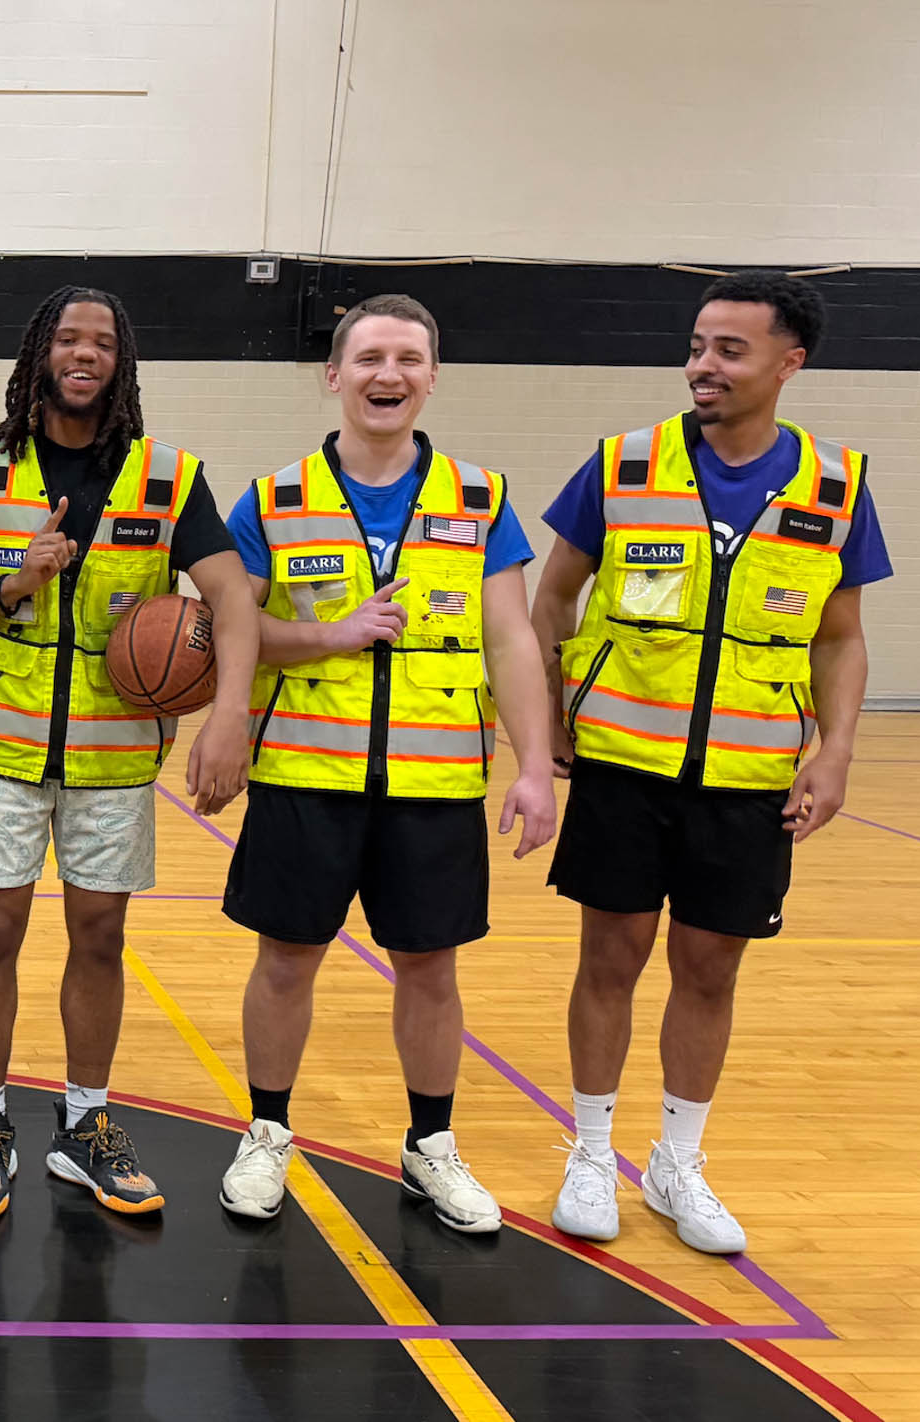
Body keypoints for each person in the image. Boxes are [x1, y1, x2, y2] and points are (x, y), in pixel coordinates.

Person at [531, 272, 891, 1254]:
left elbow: (839, 637)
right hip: (621, 764)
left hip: (748, 777)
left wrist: (836, 750)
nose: (703, 365)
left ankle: (676, 1163)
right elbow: (553, 597)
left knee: (708, 969)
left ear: (788, 362)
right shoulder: (623, 464)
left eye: (729, 349)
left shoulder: (834, 485)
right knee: (609, 960)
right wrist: (551, 710)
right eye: (696, 346)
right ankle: (590, 1153)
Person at [0, 285, 260, 1218]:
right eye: (68, 337)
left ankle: (84, 1121)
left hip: (115, 751)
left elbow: (232, 598)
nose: (84, 353)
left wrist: (229, 714)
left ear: (122, 361)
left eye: (103, 341)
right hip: (1, 742)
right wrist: (11, 583)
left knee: (101, 936)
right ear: (41, 352)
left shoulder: (168, 476)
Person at [214, 294, 557, 1236]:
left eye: (408, 358)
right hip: (303, 775)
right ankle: (267, 1131)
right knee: (286, 961)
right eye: (368, 358)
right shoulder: (275, 499)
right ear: (334, 376)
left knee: (431, 969)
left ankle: (429, 1145)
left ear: (432, 377)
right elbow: (232, 630)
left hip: (434, 783)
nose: (387, 374)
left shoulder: (479, 498)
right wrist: (331, 635)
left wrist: (534, 766)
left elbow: (511, 639)